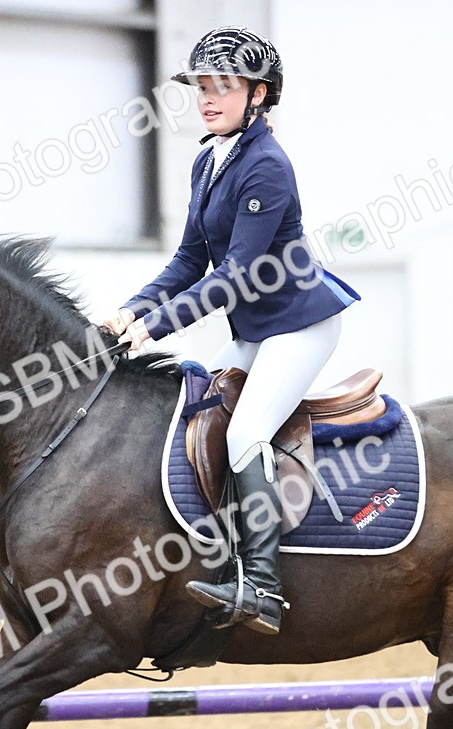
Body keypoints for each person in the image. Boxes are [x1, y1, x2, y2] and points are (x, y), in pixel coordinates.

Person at [103, 27, 360, 635]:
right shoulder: (209, 158)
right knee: (196, 406)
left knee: (245, 432)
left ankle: (263, 587)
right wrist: (131, 311)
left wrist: (157, 328)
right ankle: (213, 547)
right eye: (202, 86)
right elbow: (190, 260)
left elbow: (238, 276)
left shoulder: (267, 165)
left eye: (224, 86)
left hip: (298, 326)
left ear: (259, 94)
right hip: (256, 328)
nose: (208, 97)